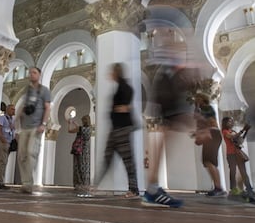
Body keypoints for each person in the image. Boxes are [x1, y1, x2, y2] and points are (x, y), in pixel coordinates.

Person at [143, 63, 198, 207]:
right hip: (167, 93)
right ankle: (152, 190)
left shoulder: (171, 69)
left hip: (169, 93)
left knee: (167, 134)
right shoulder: (166, 71)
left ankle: (152, 189)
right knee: (165, 134)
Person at [97, 63, 139, 198]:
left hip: (122, 128)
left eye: (112, 72)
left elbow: (126, 107)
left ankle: (134, 190)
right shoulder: (120, 87)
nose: (110, 74)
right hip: (116, 129)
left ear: (116, 73)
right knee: (107, 157)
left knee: (127, 160)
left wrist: (119, 109)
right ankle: (95, 185)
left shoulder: (125, 88)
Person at [16, 67, 51, 194]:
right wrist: (17, 121)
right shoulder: (27, 90)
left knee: (31, 152)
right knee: (21, 156)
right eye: (30, 73)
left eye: (34, 72)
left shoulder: (44, 91)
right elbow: (24, 107)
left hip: (36, 126)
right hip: (25, 127)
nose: (31, 75)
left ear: (39, 75)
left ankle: (28, 183)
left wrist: (44, 124)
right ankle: (25, 183)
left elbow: (47, 108)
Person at [194, 93, 226, 197]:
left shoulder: (207, 108)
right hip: (210, 134)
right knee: (208, 162)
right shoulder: (201, 109)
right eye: (196, 99)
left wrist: (200, 133)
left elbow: (208, 121)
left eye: (198, 98)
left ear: (203, 99)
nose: (196, 100)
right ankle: (217, 187)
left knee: (209, 161)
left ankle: (219, 188)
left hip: (212, 134)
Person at [221, 117, 255, 198]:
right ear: (225, 123)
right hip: (231, 154)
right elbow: (232, 137)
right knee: (233, 172)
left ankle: (249, 189)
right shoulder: (225, 131)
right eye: (229, 121)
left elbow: (240, 141)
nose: (231, 122)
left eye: (232, 121)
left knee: (243, 171)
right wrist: (243, 129)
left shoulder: (233, 131)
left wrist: (246, 131)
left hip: (237, 153)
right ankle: (233, 189)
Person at [68, 115, 92, 196]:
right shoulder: (89, 129)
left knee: (78, 167)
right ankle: (86, 185)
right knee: (85, 168)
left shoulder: (80, 129)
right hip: (86, 151)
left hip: (78, 150)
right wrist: (75, 123)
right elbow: (80, 127)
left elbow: (70, 130)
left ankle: (79, 184)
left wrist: (70, 123)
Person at [0, 104, 16, 189]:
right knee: (2, 162)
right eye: (12, 109)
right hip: (4, 143)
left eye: (14, 109)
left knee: (4, 162)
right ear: (7, 110)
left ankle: (1, 181)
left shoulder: (13, 120)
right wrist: (4, 140)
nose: (14, 111)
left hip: (9, 143)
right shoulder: (2, 118)